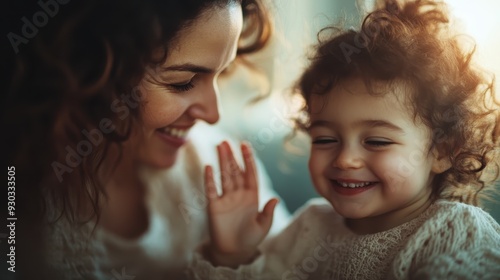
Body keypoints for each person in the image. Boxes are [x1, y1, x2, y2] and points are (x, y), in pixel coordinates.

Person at [189, 0, 500, 279]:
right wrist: (231, 254)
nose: (345, 159)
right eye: (325, 139)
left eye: (377, 142)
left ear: (442, 149)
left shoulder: (456, 231)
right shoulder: (308, 227)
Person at [3, 0, 290, 279]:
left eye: (221, 73)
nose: (214, 114)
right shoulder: (19, 205)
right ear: (89, 73)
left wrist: (231, 260)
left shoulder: (218, 164)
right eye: (183, 82)